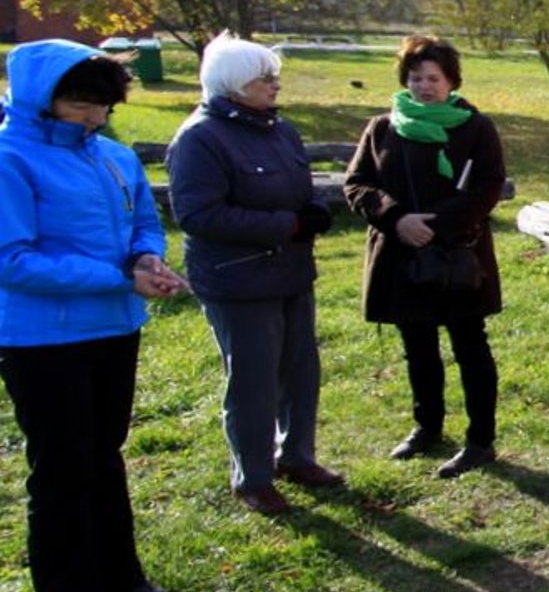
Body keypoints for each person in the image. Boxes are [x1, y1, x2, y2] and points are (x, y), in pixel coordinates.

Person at [0, 40, 187, 592]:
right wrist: (116, 276)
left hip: (113, 327)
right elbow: (13, 258)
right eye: (82, 104)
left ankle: (119, 578)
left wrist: (146, 256)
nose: (95, 117)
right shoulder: (10, 158)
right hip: (43, 339)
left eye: (103, 105)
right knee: (60, 469)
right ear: (43, 97)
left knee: (104, 453)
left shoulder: (111, 155)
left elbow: (141, 218)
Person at [168, 34, 340, 515]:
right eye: (262, 77)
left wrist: (311, 211)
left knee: (301, 370)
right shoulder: (200, 138)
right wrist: (288, 224)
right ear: (230, 85)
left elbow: (293, 189)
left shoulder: (279, 130)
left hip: (290, 272)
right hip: (238, 280)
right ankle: (254, 477)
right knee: (253, 381)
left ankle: (298, 457)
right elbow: (200, 215)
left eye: (273, 74)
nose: (273, 83)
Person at [344, 36, 507, 478]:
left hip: (458, 256)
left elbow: (489, 185)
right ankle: (427, 427)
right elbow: (357, 184)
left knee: (470, 347)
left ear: (451, 80)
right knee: (418, 348)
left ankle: (480, 440)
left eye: (433, 78)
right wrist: (396, 218)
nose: (424, 86)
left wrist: (436, 225)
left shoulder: (475, 127)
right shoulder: (383, 128)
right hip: (402, 257)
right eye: (416, 78)